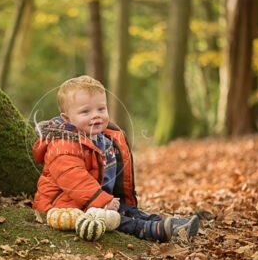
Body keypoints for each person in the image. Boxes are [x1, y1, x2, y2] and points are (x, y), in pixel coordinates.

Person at [32, 75, 199, 242]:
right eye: (85, 111)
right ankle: (154, 230)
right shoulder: (63, 144)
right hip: (64, 207)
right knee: (115, 220)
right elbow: (74, 179)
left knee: (128, 211)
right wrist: (102, 200)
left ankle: (165, 223)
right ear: (67, 118)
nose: (96, 115)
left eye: (101, 109)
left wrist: (116, 200)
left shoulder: (105, 139)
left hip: (95, 201)